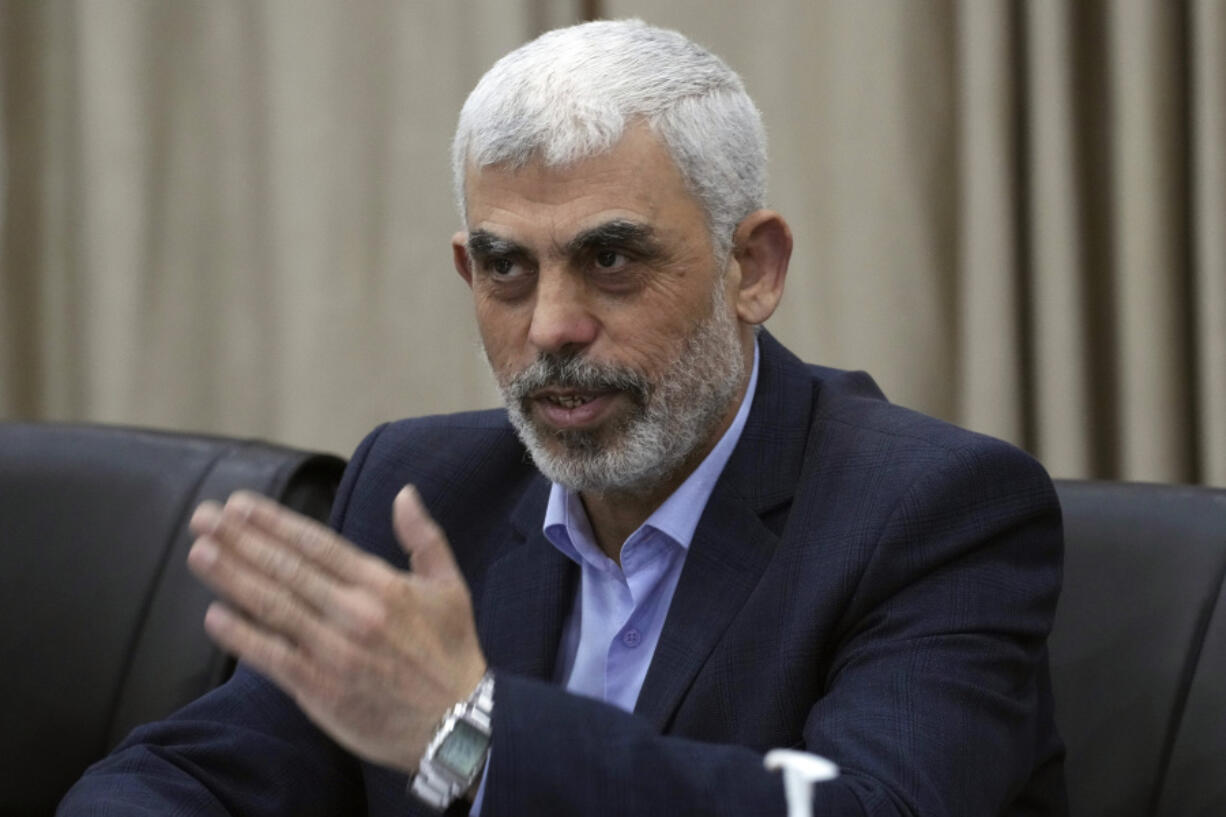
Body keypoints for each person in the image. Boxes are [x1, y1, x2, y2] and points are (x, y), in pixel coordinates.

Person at [59, 19, 1066, 817]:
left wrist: (475, 735)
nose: (549, 327)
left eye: (610, 258)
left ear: (750, 269)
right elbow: (192, 778)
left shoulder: (926, 512)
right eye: (505, 267)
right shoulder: (425, 488)